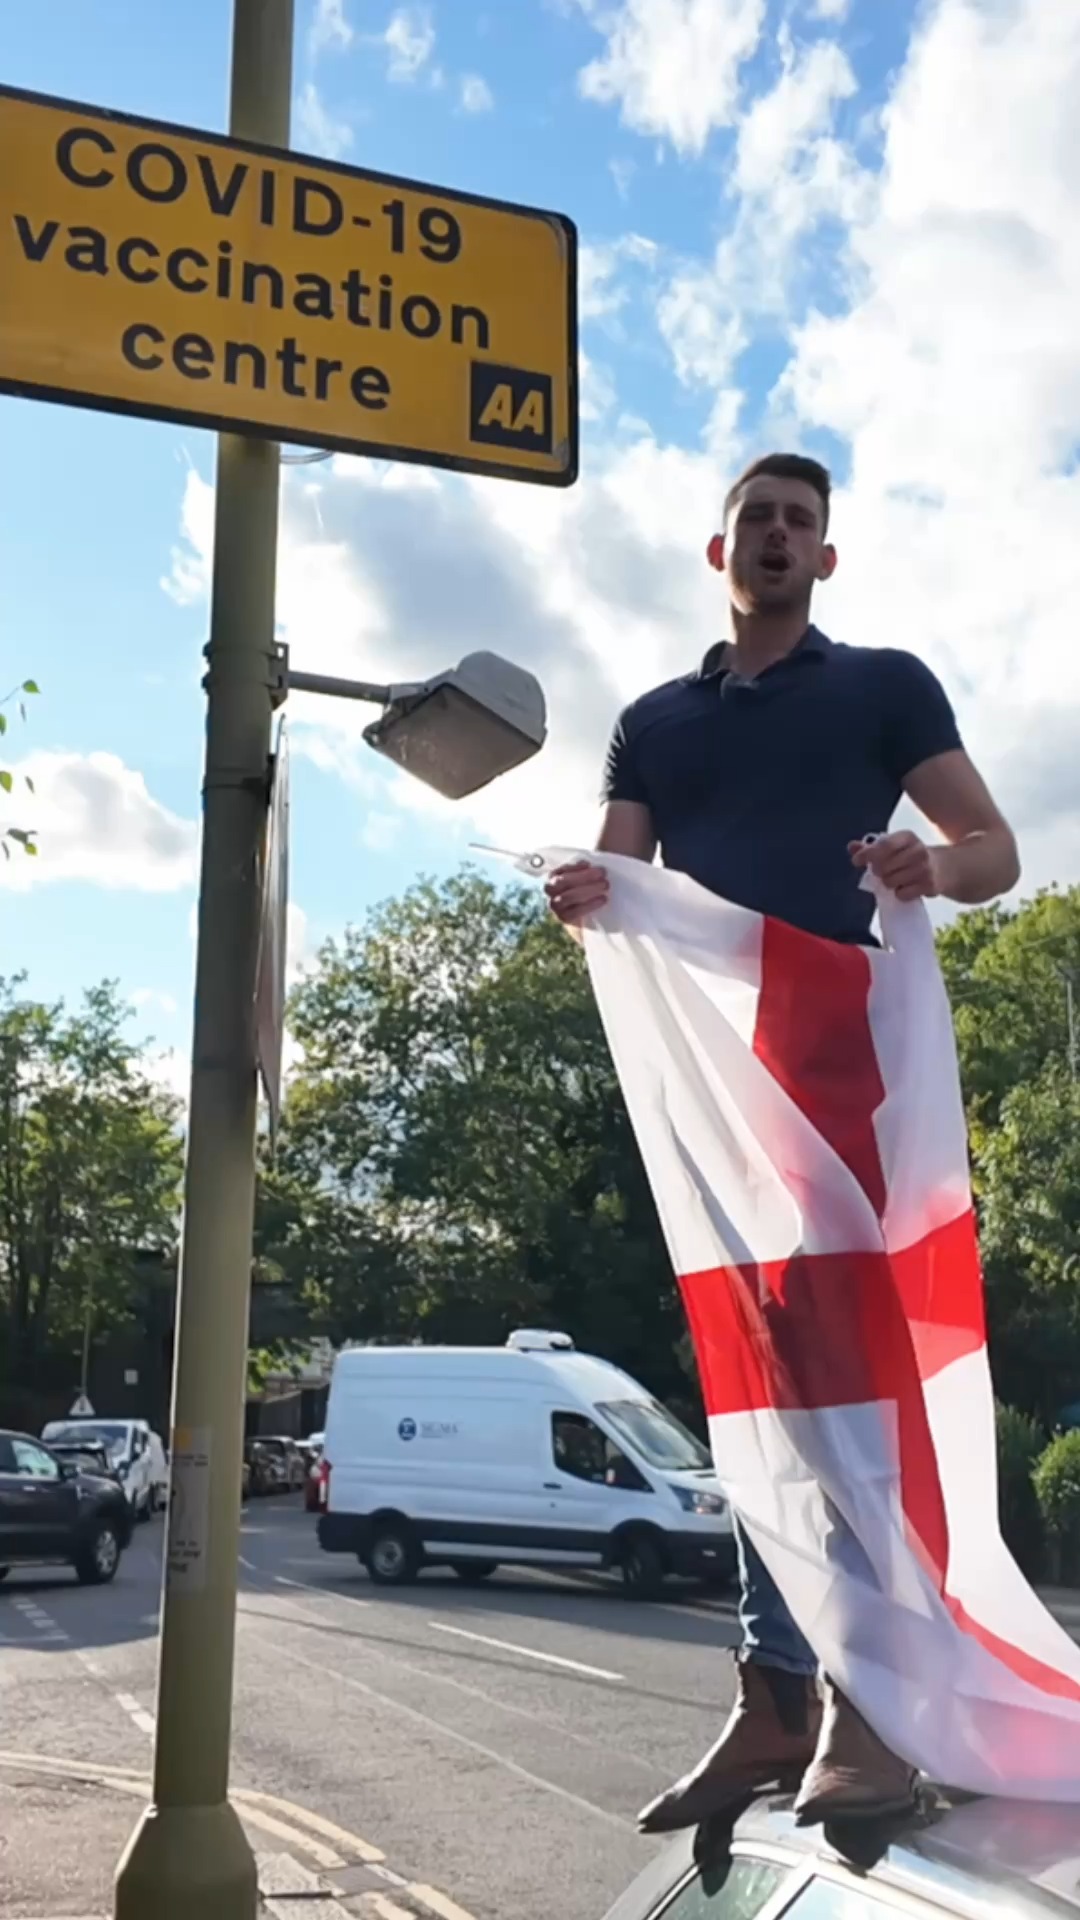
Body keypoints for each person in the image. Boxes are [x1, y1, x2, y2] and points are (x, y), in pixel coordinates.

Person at [545, 452, 1020, 1832]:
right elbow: (615, 871)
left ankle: (875, 1708)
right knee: (753, 1375)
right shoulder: (651, 722)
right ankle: (774, 1699)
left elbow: (995, 847)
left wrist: (937, 866)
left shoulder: (883, 686)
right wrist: (582, 891)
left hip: (844, 1068)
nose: (777, 536)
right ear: (721, 551)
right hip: (720, 1092)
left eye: (801, 523)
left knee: (856, 1383)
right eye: (758, 517)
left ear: (825, 559)